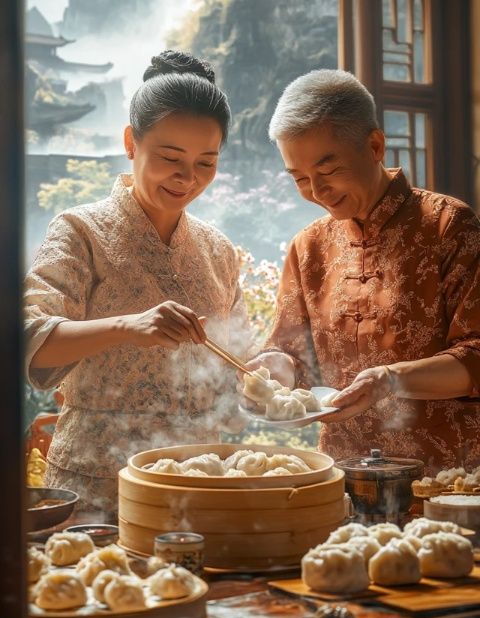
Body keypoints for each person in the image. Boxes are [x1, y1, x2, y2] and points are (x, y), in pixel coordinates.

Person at [24, 50, 251, 518]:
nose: (187, 178)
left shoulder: (219, 251)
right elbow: (29, 340)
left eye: (206, 163)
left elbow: (240, 364)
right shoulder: (79, 230)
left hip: (199, 482)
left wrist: (273, 376)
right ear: (131, 142)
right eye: (170, 157)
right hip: (98, 486)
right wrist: (129, 325)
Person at [247, 69, 480, 473]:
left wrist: (389, 379)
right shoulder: (309, 247)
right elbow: (290, 356)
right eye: (300, 178)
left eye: (328, 170)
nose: (316, 193)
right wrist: (270, 372)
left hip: (444, 474)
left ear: (374, 145)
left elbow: (476, 356)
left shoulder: (448, 225)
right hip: (340, 473)